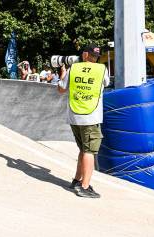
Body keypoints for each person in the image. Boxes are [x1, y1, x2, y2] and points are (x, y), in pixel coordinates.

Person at [57, 44, 110, 199]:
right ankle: (84, 187)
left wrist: (63, 73)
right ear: (89, 55)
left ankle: (76, 180)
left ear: (84, 55)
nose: (94, 59)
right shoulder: (101, 69)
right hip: (91, 116)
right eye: (94, 56)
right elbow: (106, 83)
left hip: (74, 116)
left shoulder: (73, 68)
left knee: (83, 149)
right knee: (89, 151)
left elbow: (60, 89)